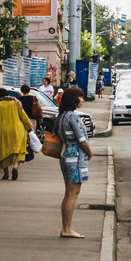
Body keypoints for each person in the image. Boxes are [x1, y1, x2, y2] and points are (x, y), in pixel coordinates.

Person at [56, 87, 93, 238]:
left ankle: (66, 227)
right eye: (80, 97)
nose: (82, 100)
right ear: (74, 99)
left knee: (68, 194)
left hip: (66, 156)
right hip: (75, 158)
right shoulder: (73, 117)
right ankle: (67, 229)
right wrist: (90, 153)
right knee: (73, 194)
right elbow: (81, 140)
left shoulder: (62, 116)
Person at [0, 88, 33, 180]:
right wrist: (29, 127)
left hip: (2, 131)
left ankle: (6, 173)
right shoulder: (16, 102)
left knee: (2, 151)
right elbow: (23, 116)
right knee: (19, 150)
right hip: (17, 130)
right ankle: (15, 167)